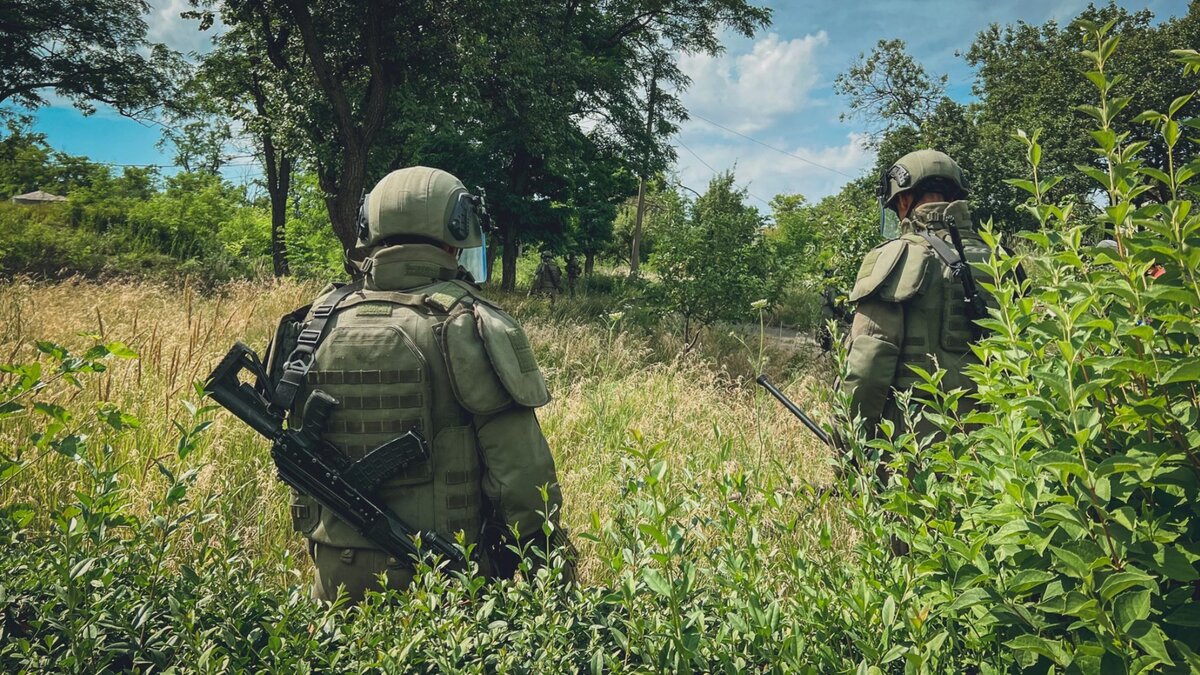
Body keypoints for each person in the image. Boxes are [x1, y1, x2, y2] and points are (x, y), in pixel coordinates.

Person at [278, 166, 573, 602]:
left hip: (334, 577)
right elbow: (523, 480)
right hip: (446, 581)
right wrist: (551, 575)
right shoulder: (467, 325)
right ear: (456, 229)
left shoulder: (313, 323)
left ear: (369, 228)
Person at [839, 149, 993, 442]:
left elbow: (868, 362)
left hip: (916, 441)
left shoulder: (899, 255)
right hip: (998, 441)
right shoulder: (1002, 260)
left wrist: (848, 439)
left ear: (904, 200)